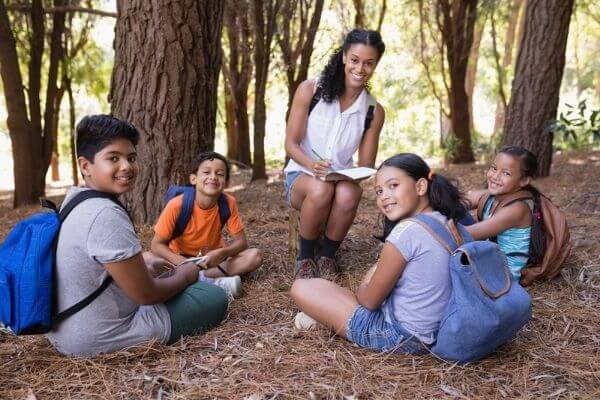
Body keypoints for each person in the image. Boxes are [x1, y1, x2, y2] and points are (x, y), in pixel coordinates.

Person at [48, 115, 228, 357]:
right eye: (113, 158)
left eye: (131, 158)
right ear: (85, 165)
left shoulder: (74, 200)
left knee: (157, 267)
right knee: (213, 297)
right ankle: (211, 282)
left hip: (63, 329)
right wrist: (186, 275)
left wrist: (144, 263)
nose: (126, 166)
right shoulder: (105, 214)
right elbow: (146, 294)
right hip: (98, 337)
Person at [290, 153, 469, 353]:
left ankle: (324, 320)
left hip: (397, 335)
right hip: (436, 330)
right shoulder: (444, 221)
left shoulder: (406, 232)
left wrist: (369, 276)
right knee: (327, 289)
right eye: (379, 191)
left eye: (394, 185)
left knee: (301, 287)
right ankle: (324, 317)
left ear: (420, 186)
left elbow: (368, 301)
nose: (384, 196)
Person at [284, 28, 386, 280]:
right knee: (321, 189)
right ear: (343, 57)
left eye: (368, 63)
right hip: (301, 175)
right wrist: (313, 165)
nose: (360, 68)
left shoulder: (373, 110)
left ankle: (327, 256)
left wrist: (345, 175)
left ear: (375, 65)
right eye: (354, 60)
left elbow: (366, 164)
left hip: (340, 180)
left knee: (350, 191)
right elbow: (291, 144)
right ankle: (305, 258)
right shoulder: (311, 90)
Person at [150, 151, 262, 298]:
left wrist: (222, 253)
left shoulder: (228, 203)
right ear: (193, 179)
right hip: (178, 260)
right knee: (147, 259)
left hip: (211, 261)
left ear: (226, 182)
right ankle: (209, 281)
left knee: (254, 256)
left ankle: (197, 279)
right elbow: (156, 245)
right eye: (206, 172)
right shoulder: (177, 205)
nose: (213, 177)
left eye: (220, 174)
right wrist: (185, 263)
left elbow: (242, 243)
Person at [465, 146, 542, 280]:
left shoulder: (517, 209)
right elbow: (454, 202)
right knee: (455, 213)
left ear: (523, 181)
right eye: (494, 168)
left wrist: (430, 225)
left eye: (506, 173)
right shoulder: (489, 197)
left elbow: (467, 234)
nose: (495, 176)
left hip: (503, 275)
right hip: (489, 258)